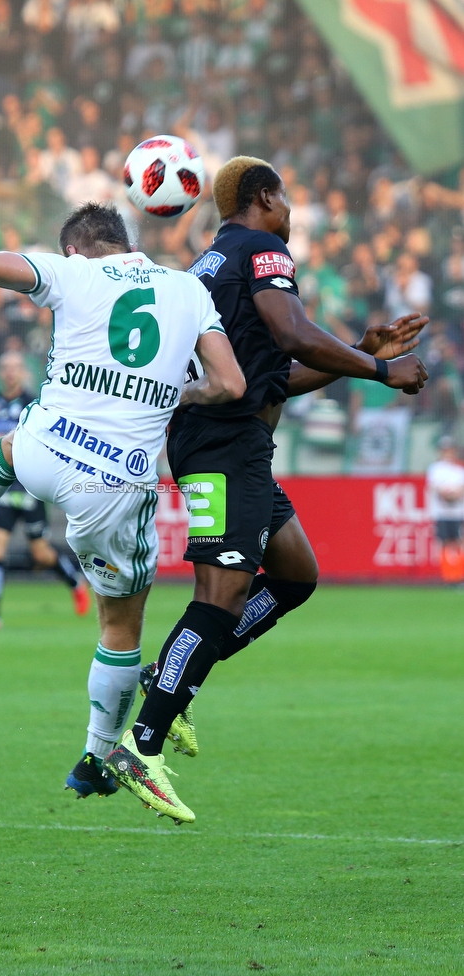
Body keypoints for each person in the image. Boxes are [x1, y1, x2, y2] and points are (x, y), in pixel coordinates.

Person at [0, 202, 246, 822]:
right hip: (116, 479)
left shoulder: (70, 274)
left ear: (75, 249)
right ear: (124, 241)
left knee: (4, 452)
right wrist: (169, 393)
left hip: (48, 448)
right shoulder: (188, 289)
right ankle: (94, 759)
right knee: (119, 627)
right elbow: (231, 385)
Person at [103, 156, 429, 823]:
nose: (291, 211)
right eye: (285, 197)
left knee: (293, 576)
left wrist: (354, 353)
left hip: (230, 441)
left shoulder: (209, 263)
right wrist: (378, 368)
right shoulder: (262, 251)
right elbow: (290, 334)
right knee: (220, 596)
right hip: (224, 446)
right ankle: (141, 742)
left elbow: (270, 372)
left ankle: (170, 677)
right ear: (262, 197)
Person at [0, 349, 90, 628]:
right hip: (3, 486)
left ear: (23, 372)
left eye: (15, 367)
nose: (10, 372)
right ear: (0, 373)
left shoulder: (32, 403)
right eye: (6, 367)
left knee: (40, 553)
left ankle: (75, 582)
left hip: (29, 487)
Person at [426, 437, 464, 585]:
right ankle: (449, 576)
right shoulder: (436, 469)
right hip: (442, 513)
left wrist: (454, 495)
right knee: (445, 543)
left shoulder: (459, 470)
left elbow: (461, 489)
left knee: (458, 543)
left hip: (458, 513)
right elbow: (436, 489)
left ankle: (459, 575)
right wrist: (449, 495)